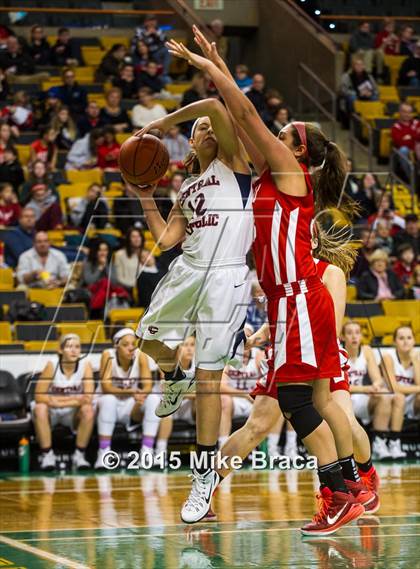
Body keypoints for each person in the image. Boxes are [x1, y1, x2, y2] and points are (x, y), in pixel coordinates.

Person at [167, 29, 369, 532]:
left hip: (300, 298)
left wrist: (211, 66)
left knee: (299, 402)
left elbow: (247, 114)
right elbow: (238, 119)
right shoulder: (269, 172)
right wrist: (215, 74)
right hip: (289, 303)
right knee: (314, 401)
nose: (275, 136)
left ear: (298, 151)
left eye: (285, 135)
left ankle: (339, 492)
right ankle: (348, 489)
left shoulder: (289, 170)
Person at [129, 88, 253, 523]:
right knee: (145, 340)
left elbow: (216, 107)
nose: (206, 128)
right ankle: (171, 374)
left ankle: (203, 479)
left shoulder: (235, 165)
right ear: (193, 148)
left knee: (210, 379)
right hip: (188, 268)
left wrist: (166, 122)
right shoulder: (187, 186)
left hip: (226, 274)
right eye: (198, 129)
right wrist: (146, 196)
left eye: (206, 127)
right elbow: (166, 239)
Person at [95, 328, 161, 469]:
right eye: (126, 345)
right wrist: (132, 391)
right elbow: (106, 387)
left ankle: (146, 452)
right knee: (109, 400)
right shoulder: (108, 355)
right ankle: (103, 453)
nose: (131, 348)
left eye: (133, 344)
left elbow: (148, 385)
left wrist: (140, 395)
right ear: (116, 345)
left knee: (154, 399)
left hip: (130, 405)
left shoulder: (140, 355)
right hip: (108, 404)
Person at [32, 334, 94, 470]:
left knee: (88, 409)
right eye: (69, 347)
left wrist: (58, 401)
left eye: (77, 347)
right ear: (60, 350)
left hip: (71, 413)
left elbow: (88, 397)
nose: (74, 350)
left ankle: (79, 455)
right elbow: (38, 396)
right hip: (52, 412)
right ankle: (47, 455)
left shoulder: (86, 364)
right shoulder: (52, 364)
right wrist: (73, 400)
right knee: (39, 408)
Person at [341, 321, 393, 461]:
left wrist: (376, 386)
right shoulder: (337, 352)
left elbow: (377, 378)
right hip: (342, 398)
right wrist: (365, 388)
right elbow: (338, 385)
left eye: (357, 333)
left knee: (384, 397)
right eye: (350, 333)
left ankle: (379, 444)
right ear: (343, 336)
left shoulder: (366, 350)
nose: (354, 336)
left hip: (360, 399)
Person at [381, 326, 420, 458]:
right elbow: (394, 388)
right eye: (401, 338)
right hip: (391, 402)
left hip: (412, 403)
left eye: (409, 338)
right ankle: (394, 442)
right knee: (399, 397)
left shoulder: (417, 358)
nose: (405, 341)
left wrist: (415, 361)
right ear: (394, 342)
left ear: (414, 341)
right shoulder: (388, 357)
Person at [219, 346, 267, 451]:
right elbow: (221, 387)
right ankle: (222, 449)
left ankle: (272, 450)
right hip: (235, 400)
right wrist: (245, 394)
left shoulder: (258, 355)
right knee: (224, 400)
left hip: (254, 399)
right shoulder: (227, 355)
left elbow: (268, 381)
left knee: (275, 401)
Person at [391, 103, 420, 181]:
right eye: (405, 112)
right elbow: (400, 143)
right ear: (400, 112)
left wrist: (410, 137)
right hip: (407, 153)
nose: (407, 114)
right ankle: (413, 179)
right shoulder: (396, 127)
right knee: (403, 150)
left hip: (417, 149)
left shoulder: (416, 123)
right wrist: (415, 136)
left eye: (409, 112)